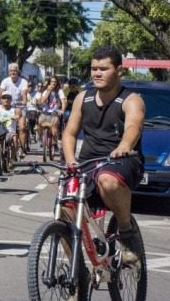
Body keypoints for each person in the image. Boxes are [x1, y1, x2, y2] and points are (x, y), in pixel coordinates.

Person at [62, 46, 145, 264]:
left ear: (119, 70)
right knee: (65, 207)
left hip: (122, 160)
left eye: (103, 69)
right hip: (88, 162)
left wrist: (124, 145)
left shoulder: (131, 100)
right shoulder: (83, 98)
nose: (97, 73)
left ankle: (127, 233)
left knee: (107, 180)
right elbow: (69, 133)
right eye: (94, 69)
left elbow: (133, 128)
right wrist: (71, 159)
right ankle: (76, 272)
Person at [0, 63, 29, 157]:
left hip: (19, 106)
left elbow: (24, 93)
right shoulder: (5, 81)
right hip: (7, 106)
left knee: (22, 127)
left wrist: (24, 100)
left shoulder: (23, 81)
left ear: (17, 71)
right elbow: (0, 93)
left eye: (14, 71)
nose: (13, 72)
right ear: (9, 72)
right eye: (11, 71)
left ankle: (22, 148)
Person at [37, 76, 67, 153]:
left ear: (57, 83)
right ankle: (40, 137)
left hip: (55, 111)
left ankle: (55, 142)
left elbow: (63, 102)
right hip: (45, 111)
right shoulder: (45, 91)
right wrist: (48, 91)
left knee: (54, 124)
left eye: (55, 82)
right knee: (39, 122)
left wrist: (62, 110)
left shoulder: (59, 91)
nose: (53, 83)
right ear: (49, 83)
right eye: (52, 82)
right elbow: (42, 101)